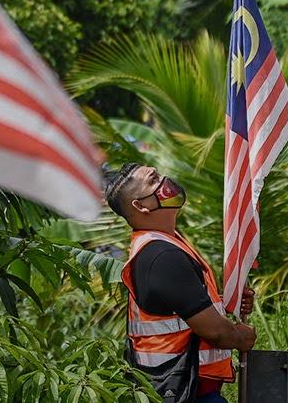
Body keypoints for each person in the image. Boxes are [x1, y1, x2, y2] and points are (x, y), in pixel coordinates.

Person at [104, 162, 256, 403]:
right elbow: (215, 332)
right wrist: (241, 336)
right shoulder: (161, 255)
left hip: (185, 390)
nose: (165, 180)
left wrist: (230, 304)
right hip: (184, 394)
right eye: (154, 180)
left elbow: (182, 312)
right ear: (141, 205)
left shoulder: (166, 244)